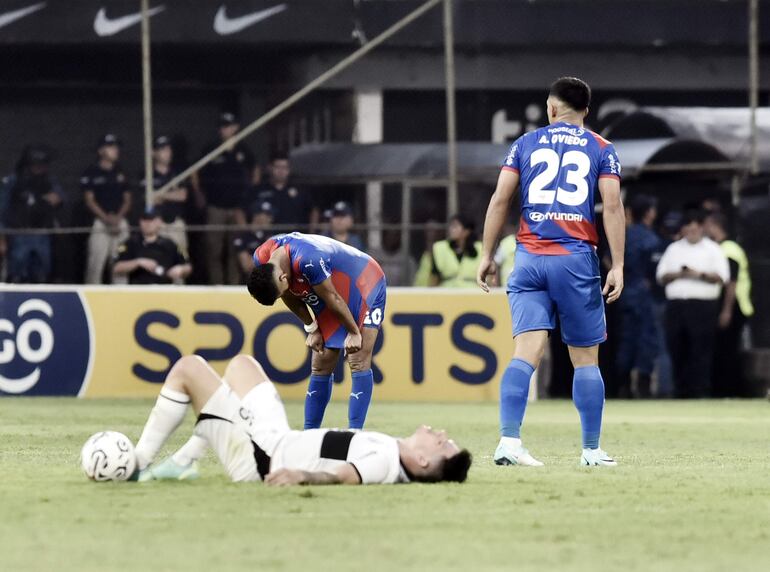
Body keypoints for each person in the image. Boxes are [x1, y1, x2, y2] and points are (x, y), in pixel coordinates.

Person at [477, 77, 625, 467]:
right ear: (586, 112)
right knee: (585, 359)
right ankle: (591, 451)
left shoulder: (523, 144)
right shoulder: (602, 148)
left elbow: (500, 199)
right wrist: (619, 265)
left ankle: (509, 442)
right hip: (575, 260)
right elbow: (611, 207)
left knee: (525, 353)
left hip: (528, 258)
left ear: (551, 108)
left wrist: (486, 254)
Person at [130, 354, 471, 485]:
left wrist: (301, 476)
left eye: (441, 441)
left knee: (188, 368)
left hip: (261, 457)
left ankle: (137, 463)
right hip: (277, 436)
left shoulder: (384, 461)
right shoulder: (389, 450)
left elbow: (345, 476)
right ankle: (185, 458)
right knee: (241, 366)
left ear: (423, 459)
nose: (438, 432)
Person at [247, 232, 386, 431]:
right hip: (327, 288)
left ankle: (355, 435)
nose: (283, 294)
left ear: (282, 276)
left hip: (365, 281)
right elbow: (288, 294)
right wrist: (312, 328)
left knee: (358, 357)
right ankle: (308, 436)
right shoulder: (263, 259)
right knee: (321, 363)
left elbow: (333, 299)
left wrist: (354, 332)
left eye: (281, 290)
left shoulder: (308, 259)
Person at [656, 209, 729, 398]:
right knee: (677, 347)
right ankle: (681, 390)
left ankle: (701, 391)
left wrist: (698, 274)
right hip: (677, 306)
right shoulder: (674, 248)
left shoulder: (713, 249)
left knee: (701, 349)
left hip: (702, 306)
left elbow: (722, 277)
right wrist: (680, 274)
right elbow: (661, 275)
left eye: (695, 227)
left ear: (702, 228)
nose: (691, 230)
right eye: (688, 227)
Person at [196, 112, 254, 284]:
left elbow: (255, 170)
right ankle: (217, 285)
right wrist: (200, 196)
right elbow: (196, 173)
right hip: (216, 206)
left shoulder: (244, 149)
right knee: (214, 249)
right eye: (222, 126)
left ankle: (232, 285)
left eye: (228, 126)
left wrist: (248, 197)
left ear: (236, 127)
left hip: (237, 208)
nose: (225, 130)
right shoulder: (211, 148)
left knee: (235, 249)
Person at [614, 195, 661, 398]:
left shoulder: (624, 236)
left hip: (624, 293)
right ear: (649, 213)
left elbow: (609, 260)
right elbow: (655, 269)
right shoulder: (651, 239)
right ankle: (643, 384)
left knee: (625, 339)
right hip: (643, 294)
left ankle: (622, 384)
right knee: (646, 339)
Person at [703, 212, 754, 396]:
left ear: (715, 225)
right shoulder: (720, 248)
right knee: (724, 350)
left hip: (735, 306)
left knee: (728, 351)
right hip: (732, 306)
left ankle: (731, 390)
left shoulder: (728, 249)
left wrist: (726, 311)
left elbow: (731, 283)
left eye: (707, 225)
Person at [0, 145, 63, 283]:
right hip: (19, 233)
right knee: (17, 272)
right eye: (38, 165)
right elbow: (2, 210)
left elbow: (59, 197)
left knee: (42, 272)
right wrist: (2, 238)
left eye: (44, 165)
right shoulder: (12, 181)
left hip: (41, 233)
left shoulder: (49, 181)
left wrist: (53, 199)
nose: (41, 168)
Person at [82, 134, 131, 284]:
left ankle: (122, 298)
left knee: (121, 265)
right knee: (95, 265)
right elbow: (89, 200)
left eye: (116, 147)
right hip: (99, 222)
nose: (115, 150)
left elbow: (128, 200)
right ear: (101, 151)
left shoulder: (121, 171)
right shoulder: (91, 172)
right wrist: (106, 219)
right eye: (111, 147)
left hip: (120, 221)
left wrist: (117, 218)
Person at [113, 209, 192, 285]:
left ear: (159, 222)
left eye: (151, 220)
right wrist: (138, 262)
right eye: (144, 220)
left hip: (165, 291)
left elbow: (187, 266)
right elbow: (116, 268)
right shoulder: (129, 243)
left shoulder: (170, 244)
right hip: (138, 291)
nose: (148, 223)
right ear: (140, 222)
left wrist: (181, 270)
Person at [140, 135, 188, 253]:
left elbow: (182, 196)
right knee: (157, 260)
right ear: (153, 153)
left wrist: (160, 195)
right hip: (156, 224)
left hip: (175, 223)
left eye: (169, 149)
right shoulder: (147, 174)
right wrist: (171, 194)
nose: (167, 153)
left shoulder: (176, 173)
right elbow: (148, 199)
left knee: (181, 260)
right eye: (163, 149)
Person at [255, 153, 318, 230]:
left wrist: (312, 232)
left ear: (289, 169)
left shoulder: (300, 189)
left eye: (285, 167)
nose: (281, 171)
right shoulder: (259, 189)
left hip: (295, 237)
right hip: (268, 238)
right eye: (277, 167)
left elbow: (314, 210)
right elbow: (240, 210)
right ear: (270, 168)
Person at [429, 214, 482, 287]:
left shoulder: (480, 248)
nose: (451, 230)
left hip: (473, 293)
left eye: (455, 227)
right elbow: (434, 276)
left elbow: (488, 277)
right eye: (451, 226)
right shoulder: (440, 247)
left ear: (466, 231)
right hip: (447, 293)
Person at [233, 201, 273, 282]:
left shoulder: (269, 236)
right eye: (267, 215)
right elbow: (247, 266)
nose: (271, 219)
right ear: (257, 216)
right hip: (246, 284)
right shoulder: (243, 237)